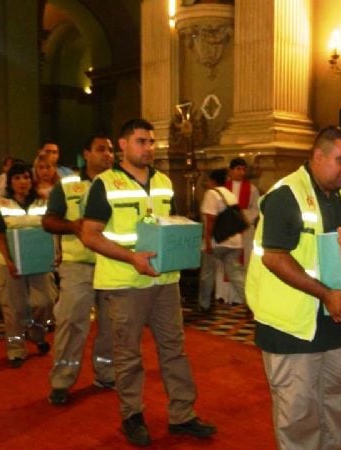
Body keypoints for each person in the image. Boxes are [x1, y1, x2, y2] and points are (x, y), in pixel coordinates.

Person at [81, 118, 216, 447]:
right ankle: (132, 415)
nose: (149, 148)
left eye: (152, 142)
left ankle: (182, 414)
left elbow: (165, 224)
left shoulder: (164, 182)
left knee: (175, 350)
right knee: (128, 355)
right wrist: (132, 258)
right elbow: (89, 235)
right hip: (125, 283)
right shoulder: (106, 184)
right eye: (142, 141)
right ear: (124, 145)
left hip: (165, 279)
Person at [245, 126, 341, 450]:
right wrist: (326, 294)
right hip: (291, 326)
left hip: (333, 322)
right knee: (298, 416)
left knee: (334, 407)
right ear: (318, 156)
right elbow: (274, 257)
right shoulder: (286, 194)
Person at [43, 133, 116, 406]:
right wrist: (73, 226)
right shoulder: (69, 185)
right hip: (78, 265)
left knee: (111, 326)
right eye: (100, 149)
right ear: (86, 154)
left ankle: (106, 373)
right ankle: (62, 379)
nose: (107, 154)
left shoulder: (120, 184)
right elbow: (49, 222)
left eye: (110, 150)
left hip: (112, 264)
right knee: (72, 324)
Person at [0, 162, 57, 368]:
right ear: (10, 182)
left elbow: (52, 229)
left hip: (39, 261)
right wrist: (9, 261)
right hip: (9, 262)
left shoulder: (42, 202)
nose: (22, 182)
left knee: (46, 301)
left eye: (26, 177)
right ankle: (16, 349)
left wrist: (56, 253)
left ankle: (36, 333)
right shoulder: (1, 204)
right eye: (17, 178)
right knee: (15, 308)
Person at [197, 168, 246, 313]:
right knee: (236, 274)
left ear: (212, 181)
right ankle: (251, 304)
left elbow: (211, 219)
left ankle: (204, 304)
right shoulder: (230, 194)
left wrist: (207, 241)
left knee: (207, 273)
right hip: (235, 241)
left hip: (217, 241)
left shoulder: (212, 194)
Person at [216, 157, 260, 304]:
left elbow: (255, 208)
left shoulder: (252, 189)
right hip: (227, 230)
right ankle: (224, 295)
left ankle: (240, 297)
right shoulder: (222, 189)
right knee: (225, 263)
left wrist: (242, 219)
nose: (241, 172)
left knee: (244, 261)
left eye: (243, 169)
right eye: (238, 169)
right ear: (231, 170)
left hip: (244, 230)